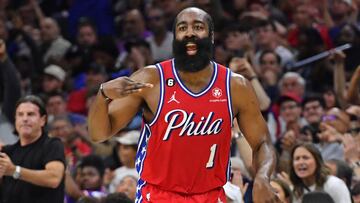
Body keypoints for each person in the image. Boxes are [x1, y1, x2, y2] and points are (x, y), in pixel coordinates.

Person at [89, 7, 278, 203]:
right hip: (157, 196)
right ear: (175, 37)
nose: (190, 32)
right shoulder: (151, 79)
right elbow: (99, 134)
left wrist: (263, 177)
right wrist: (102, 95)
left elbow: (262, 142)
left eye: (198, 27)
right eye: (182, 28)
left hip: (212, 196)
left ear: (211, 36)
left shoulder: (235, 86)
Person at [0, 95, 66, 203]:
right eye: (20, 115)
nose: (25, 119)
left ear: (43, 120)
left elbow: (54, 178)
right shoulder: (7, 152)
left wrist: (15, 171)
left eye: (30, 114)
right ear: (15, 120)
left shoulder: (52, 145)